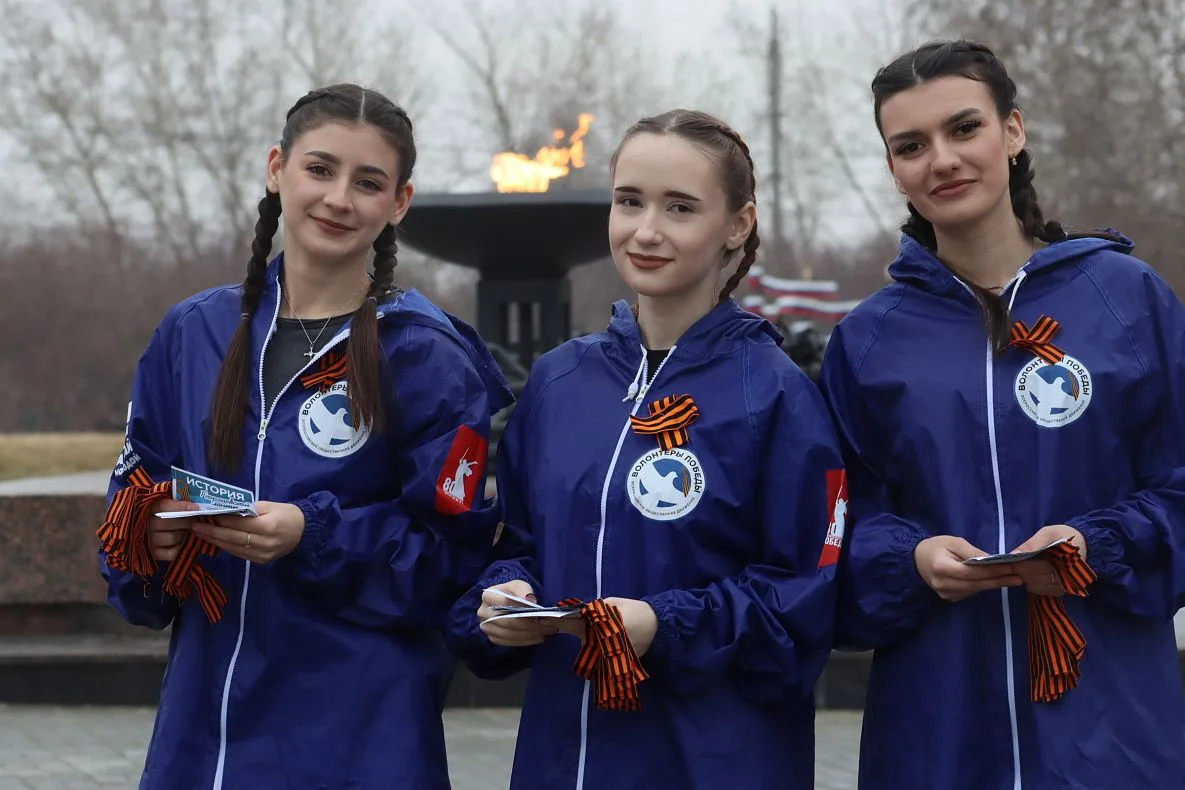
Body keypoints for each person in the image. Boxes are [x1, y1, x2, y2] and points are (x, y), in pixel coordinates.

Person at [97, 83, 513, 789]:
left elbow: (454, 563)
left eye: (368, 182)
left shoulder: (428, 356)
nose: (339, 198)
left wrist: (313, 535)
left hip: (361, 741)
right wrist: (151, 541)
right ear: (276, 169)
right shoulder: (193, 334)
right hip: (205, 741)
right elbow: (129, 512)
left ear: (399, 203)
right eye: (320, 169)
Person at [819, 39, 1185, 789]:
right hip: (938, 736)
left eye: (964, 128)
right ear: (893, 169)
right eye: (910, 146)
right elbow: (827, 535)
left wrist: (1097, 544)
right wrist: (908, 560)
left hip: (1112, 733)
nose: (942, 160)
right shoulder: (867, 341)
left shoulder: (1126, 299)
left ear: (1012, 131)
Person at [445, 109, 846, 789]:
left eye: (680, 207)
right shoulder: (559, 381)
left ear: (738, 224)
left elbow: (802, 606)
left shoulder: (777, 395)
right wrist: (503, 595)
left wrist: (662, 624)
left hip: (713, 762)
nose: (646, 230)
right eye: (629, 201)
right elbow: (518, 544)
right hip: (562, 758)